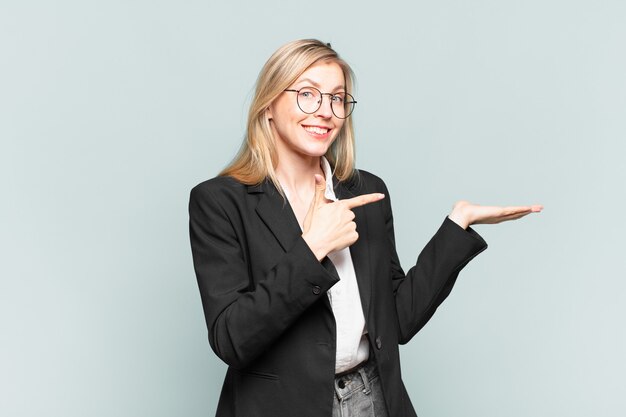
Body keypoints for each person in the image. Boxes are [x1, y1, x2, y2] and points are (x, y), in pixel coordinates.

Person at [189, 39, 542, 417]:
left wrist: (457, 225)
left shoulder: (367, 192)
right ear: (270, 104)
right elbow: (232, 339)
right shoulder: (220, 202)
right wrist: (312, 249)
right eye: (307, 94)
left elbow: (397, 322)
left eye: (337, 99)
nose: (325, 111)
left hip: (372, 399)